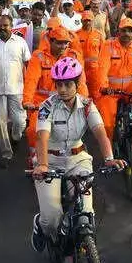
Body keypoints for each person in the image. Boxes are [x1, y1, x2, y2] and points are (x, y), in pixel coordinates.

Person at [29, 57, 126, 252]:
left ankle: (90, 259)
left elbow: (100, 132)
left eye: (67, 84)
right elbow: (42, 137)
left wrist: (109, 158)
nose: (62, 89)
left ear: (77, 83)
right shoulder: (47, 106)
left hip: (78, 159)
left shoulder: (88, 105)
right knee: (52, 220)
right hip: (50, 159)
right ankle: (39, 224)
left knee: (86, 214)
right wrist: (43, 165)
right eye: (59, 84)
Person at [24, 27, 88, 163]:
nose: (63, 46)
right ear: (51, 41)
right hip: (42, 103)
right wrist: (27, 101)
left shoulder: (73, 56)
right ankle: (35, 156)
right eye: (59, 43)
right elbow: (31, 80)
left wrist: (84, 100)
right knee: (32, 130)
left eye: (66, 43)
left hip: (67, 102)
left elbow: (81, 82)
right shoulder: (38, 56)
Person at [0, 14, 32, 168]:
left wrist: (30, 85)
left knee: (19, 121)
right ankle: (6, 154)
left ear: (11, 27)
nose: (2, 28)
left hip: (17, 89)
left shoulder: (20, 43)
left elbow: (28, 64)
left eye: (6, 26)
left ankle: (15, 138)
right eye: (0, 26)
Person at [96, 17, 132, 139]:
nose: (126, 33)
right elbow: (102, 69)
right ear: (118, 31)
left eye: (130, 30)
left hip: (131, 88)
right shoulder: (108, 45)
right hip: (111, 90)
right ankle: (109, 151)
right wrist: (104, 87)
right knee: (107, 123)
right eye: (124, 30)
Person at [76, 10, 104, 97]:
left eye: (89, 20)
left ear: (92, 21)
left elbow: (103, 54)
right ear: (81, 21)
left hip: (94, 70)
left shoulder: (98, 35)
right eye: (85, 20)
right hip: (80, 69)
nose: (87, 22)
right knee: (81, 93)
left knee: (95, 93)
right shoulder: (76, 35)